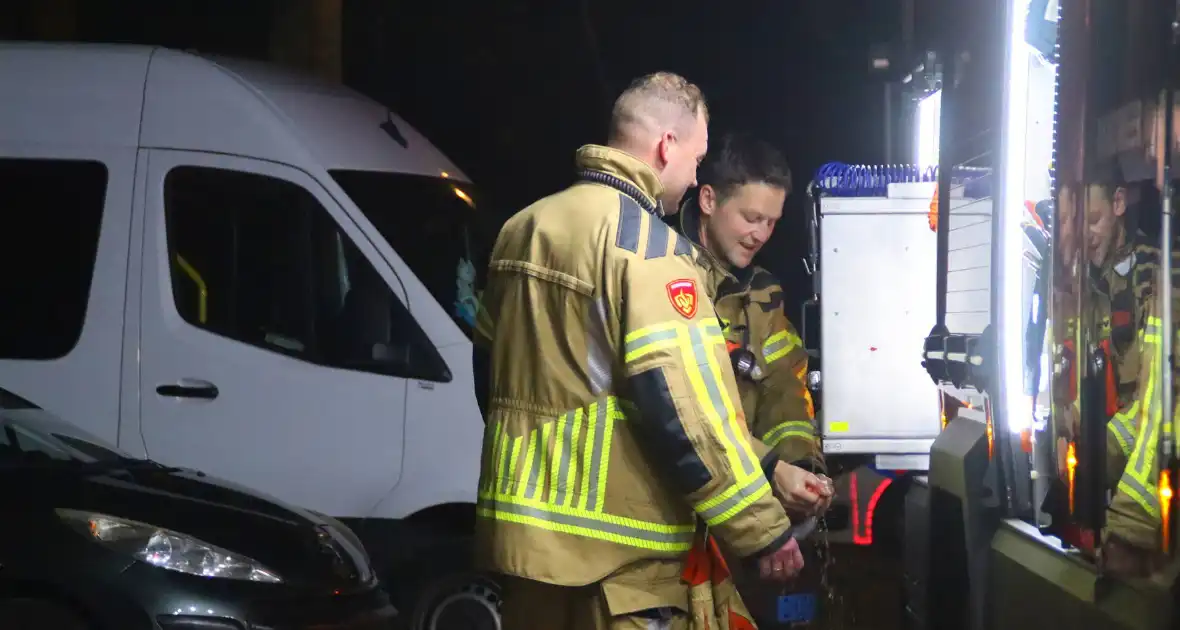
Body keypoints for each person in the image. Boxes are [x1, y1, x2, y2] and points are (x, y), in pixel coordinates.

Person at [472, 72, 832, 630]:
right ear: (667, 146)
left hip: (522, 549)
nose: (693, 177)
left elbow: (489, 375)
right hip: (618, 558)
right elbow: (683, 412)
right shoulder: (646, 248)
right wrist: (764, 532)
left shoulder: (522, 228)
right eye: (696, 157)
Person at [675, 132, 824, 476]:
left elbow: (783, 388)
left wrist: (799, 467)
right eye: (751, 217)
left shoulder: (763, 296)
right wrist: (771, 470)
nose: (760, 234)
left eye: (771, 222)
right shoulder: (658, 271)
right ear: (709, 200)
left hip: (739, 503)